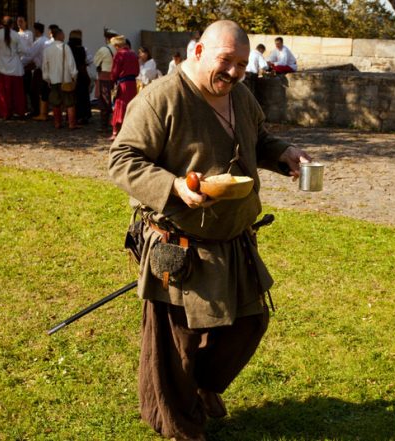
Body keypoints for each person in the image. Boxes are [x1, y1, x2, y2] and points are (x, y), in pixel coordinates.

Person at [108, 19, 310, 441]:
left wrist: (284, 153)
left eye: (241, 64)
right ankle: (179, 425)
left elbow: (257, 139)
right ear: (198, 51)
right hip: (180, 242)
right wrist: (174, 187)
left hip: (234, 239)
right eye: (226, 61)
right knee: (178, 343)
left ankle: (201, 387)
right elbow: (122, 160)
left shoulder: (240, 96)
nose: (235, 72)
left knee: (248, 323)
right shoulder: (161, 99)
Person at [0, 16, 26, 119]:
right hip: (15, 67)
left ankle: (5, 112)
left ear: (2, 24)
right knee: (16, 92)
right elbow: (23, 50)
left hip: (2, 67)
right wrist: (16, 54)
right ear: (12, 24)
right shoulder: (16, 35)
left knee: (4, 92)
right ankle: (18, 111)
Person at [42, 27, 79, 129]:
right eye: (62, 34)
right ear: (59, 35)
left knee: (55, 103)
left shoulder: (47, 49)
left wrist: (47, 78)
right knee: (70, 103)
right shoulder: (65, 47)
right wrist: (74, 76)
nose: (64, 36)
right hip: (65, 79)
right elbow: (71, 63)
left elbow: (45, 66)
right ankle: (71, 124)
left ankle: (57, 123)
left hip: (53, 80)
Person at [109, 34, 139, 140]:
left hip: (123, 84)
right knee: (131, 106)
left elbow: (115, 72)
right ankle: (130, 130)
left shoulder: (119, 55)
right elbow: (137, 71)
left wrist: (112, 80)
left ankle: (116, 131)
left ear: (117, 46)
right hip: (132, 84)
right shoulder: (133, 54)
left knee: (120, 105)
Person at [22, 22, 49, 119]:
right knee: (43, 91)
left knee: (34, 90)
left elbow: (30, 55)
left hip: (40, 69)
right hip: (45, 68)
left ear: (36, 30)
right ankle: (42, 110)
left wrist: (20, 63)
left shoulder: (39, 42)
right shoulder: (46, 40)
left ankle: (37, 111)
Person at [93, 28, 118, 132]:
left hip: (104, 77)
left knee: (104, 101)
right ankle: (114, 123)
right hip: (115, 77)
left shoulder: (103, 49)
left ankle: (104, 125)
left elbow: (96, 62)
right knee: (114, 100)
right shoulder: (118, 49)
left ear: (107, 38)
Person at [67, 29, 91, 124]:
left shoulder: (67, 49)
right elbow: (87, 61)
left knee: (72, 97)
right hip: (81, 74)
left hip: (70, 75)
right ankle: (83, 116)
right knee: (82, 96)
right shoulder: (82, 49)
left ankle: (72, 117)